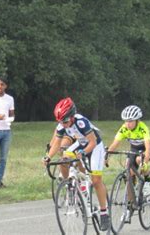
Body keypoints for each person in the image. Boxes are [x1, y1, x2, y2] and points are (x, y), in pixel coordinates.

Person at [43, 97, 110, 231]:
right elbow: (56, 143)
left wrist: (83, 152)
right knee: (64, 160)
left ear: (72, 116)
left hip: (95, 146)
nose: (64, 124)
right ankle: (70, 185)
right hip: (81, 143)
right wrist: (48, 157)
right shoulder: (62, 124)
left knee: (96, 181)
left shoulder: (81, 122)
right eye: (61, 122)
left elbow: (92, 142)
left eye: (66, 121)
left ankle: (104, 213)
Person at [106, 105, 150, 222]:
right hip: (134, 149)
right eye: (126, 121)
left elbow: (148, 148)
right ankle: (131, 203)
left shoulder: (143, 128)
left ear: (137, 120)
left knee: (139, 160)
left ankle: (147, 180)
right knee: (128, 169)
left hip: (146, 149)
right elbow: (115, 144)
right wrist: (107, 155)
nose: (128, 124)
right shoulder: (124, 128)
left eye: (130, 121)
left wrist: (145, 162)